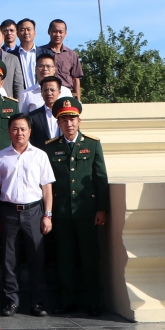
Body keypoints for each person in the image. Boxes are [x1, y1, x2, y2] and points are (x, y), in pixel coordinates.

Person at [43, 97, 109, 316]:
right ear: (58, 123)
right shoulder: (51, 148)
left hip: (87, 212)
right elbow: (48, 182)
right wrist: (49, 213)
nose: (68, 124)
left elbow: (100, 178)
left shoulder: (92, 144)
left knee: (90, 258)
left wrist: (101, 208)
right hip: (61, 213)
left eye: (72, 119)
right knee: (65, 259)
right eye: (64, 120)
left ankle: (92, 302)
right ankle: (67, 300)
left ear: (79, 120)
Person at [0, 114, 55, 317]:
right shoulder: (1, 156)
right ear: (9, 131)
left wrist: (48, 215)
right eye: (15, 129)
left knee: (36, 258)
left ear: (29, 131)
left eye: (23, 129)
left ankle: (37, 302)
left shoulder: (40, 155)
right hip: (8, 212)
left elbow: (47, 188)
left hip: (34, 212)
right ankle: (11, 301)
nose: (19, 133)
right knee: (8, 260)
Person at [39, 19, 83, 99]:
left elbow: (76, 79)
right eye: (55, 31)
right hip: (45, 93)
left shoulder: (71, 54)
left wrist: (78, 100)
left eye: (61, 32)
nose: (57, 34)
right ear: (49, 32)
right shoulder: (40, 51)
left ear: (65, 33)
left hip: (65, 94)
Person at [0, 23, 25, 99]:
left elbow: (18, 85)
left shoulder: (13, 59)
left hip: (8, 104)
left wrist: (18, 106)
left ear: (3, 37)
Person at [27, 76, 64, 145]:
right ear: (41, 93)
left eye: (52, 90)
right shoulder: (33, 116)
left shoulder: (66, 114)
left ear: (59, 92)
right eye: (45, 90)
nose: (49, 93)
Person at [14, 18, 40, 90]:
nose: (26, 32)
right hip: (20, 96)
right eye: (22, 30)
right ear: (17, 34)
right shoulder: (11, 56)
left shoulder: (44, 53)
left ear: (35, 33)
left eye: (29, 29)